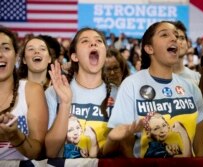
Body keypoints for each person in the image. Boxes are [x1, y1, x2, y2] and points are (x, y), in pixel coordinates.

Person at [104, 21, 203, 158]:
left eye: (176, 36)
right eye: (164, 34)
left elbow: (200, 149)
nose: (174, 39)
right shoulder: (131, 85)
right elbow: (125, 144)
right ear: (149, 48)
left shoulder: (191, 87)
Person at [45, 27, 117, 158]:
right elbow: (50, 152)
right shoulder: (54, 92)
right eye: (85, 41)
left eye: (99, 41)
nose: (93, 43)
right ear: (75, 56)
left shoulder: (118, 94)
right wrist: (65, 104)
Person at [0, 28, 48, 159]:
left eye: (5, 48)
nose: (0, 54)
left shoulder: (32, 90)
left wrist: (15, 135)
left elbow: (37, 152)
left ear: (16, 56)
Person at [172, 21, 201, 85]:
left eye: (182, 38)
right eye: (175, 38)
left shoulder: (198, 78)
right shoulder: (148, 77)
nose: (179, 42)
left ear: (188, 44)